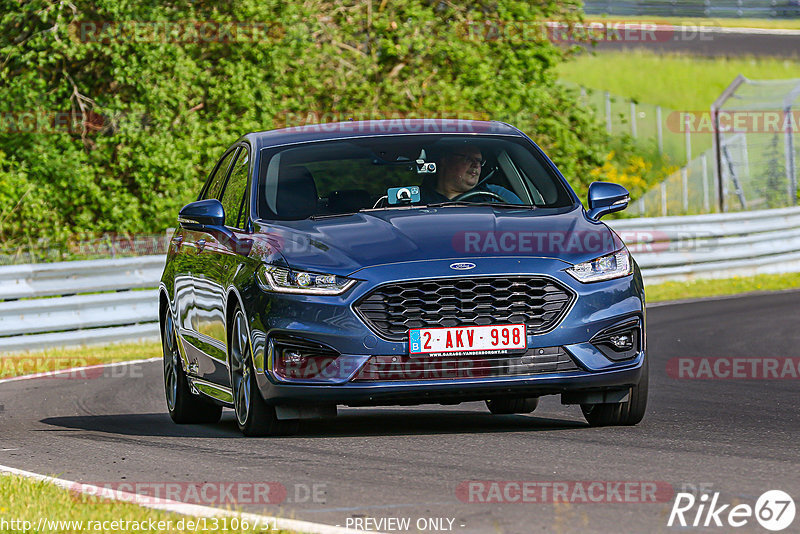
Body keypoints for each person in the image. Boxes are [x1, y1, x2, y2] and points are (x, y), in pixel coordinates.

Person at [419, 144, 522, 204]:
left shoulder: (496, 195)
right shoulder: (416, 198)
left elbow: (524, 220)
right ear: (444, 160)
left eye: (479, 161)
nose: (476, 165)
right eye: (468, 159)